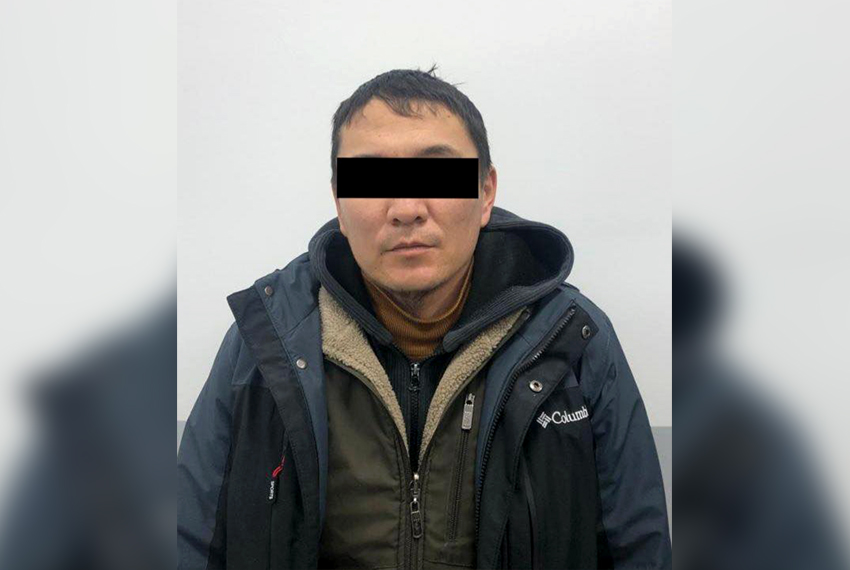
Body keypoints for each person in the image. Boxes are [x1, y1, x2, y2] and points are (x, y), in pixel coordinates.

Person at [177, 66, 672, 569]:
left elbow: (636, 548)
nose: (407, 208)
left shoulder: (573, 340)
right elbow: (192, 540)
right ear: (339, 204)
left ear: (485, 193)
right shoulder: (267, 341)